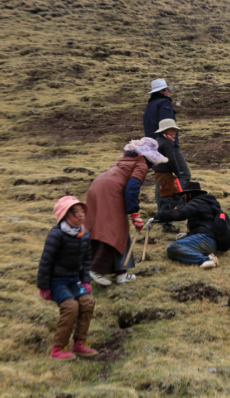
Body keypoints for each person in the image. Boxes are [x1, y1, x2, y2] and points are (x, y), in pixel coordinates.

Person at [86, 138, 168, 286]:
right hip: (111, 190)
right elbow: (132, 187)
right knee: (113, 231)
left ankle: (121, 273)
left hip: (97, 186)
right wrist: (134, 212)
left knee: (107, 229)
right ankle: (96, 269)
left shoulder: (127, 159)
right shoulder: (141, 163)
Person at [37, 196, 98, 360]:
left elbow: (86, 261)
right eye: (75, 212)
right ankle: (58, 348)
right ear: (64, 215)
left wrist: (85, 281)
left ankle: (79, 343)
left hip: (74, 280)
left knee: (87, 302)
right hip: (56, 281)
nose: (80, 215)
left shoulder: (84, 235)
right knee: (71, 307)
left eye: (82, 211)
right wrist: (44, 287)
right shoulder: (56, 235)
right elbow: (45, 261)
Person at [142, 78, 191, 214]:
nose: (169, 92)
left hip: (153, 147)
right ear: (162, 91)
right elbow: (167, 125)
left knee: (162, 176)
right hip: (167, 145)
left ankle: (163, 211)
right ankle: (174, 209)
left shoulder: (149, 107)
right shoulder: (164, 103)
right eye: (168, 89)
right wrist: (170, 141)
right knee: (183, 174)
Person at [147, 181, 221, 269]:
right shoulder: (207, 203)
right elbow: (205, 225)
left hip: (204, 240)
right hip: (213, 244)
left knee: (172, 247)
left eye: (184, 197)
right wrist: (188, 235)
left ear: (189, 195)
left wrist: (157, 217)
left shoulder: (196, 202)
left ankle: (205, 260)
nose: (184, 200)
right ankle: (210, 256)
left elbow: (181, 213)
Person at [152, 118, 183, 233]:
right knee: (167, 199)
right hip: (165, 174)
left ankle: (164, 216)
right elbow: (171, 159)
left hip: (162, 174)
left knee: (176, 195)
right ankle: (166, 224)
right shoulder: (167, 142)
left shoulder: (159, 140)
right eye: (172, 130)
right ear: (165, 131)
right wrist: (177, 171)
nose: (174, 132)